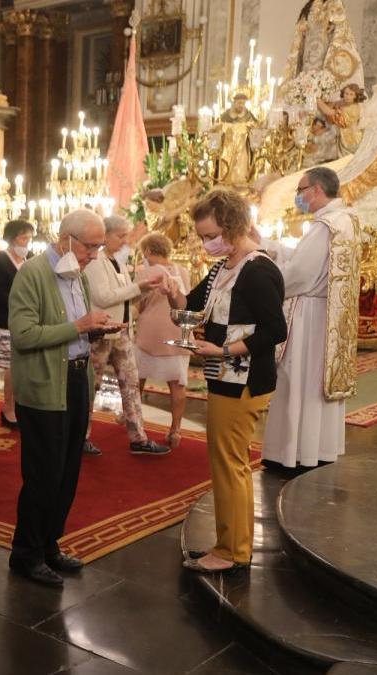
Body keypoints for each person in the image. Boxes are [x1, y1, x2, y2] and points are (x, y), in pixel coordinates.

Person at [164, 189, 286, 574]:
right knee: (224, 464)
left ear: (233, 226)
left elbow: (275, 331)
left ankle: (233, 552)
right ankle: (227, 544)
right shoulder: (223, 267)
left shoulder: (258, 269)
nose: (206, 243)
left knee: (231, 466)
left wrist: (224, 351)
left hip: (243, 380)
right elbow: (192, 307)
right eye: (201, 236)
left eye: (210, 235)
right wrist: (174, 297)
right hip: (223, 378)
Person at [7, 209, 122, 587]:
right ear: (65, 240)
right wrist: (79, 326)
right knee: (44, 474)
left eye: (98, 246)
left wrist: (96, 329)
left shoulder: (77, 274)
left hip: (75, 381)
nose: (94, 254)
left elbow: (76, 331)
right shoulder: (32, 273)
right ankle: (26, 554)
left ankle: (50, 545)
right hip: (43, 387)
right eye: (90, 246)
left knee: (69, 471)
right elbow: (23, 336)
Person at [260, 167, 361, 469]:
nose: (298, 196)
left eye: (300, 189)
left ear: (316, 189)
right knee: (317, 383)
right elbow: (306, 259)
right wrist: (271, 247)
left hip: (309, 315)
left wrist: (265, 277)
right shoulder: (346, 221)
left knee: (299, 380)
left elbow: (299, 274)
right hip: (330, 315)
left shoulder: (325, 226)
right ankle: (318, 448)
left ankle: (292, 454)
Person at [82, 216, 170, 456]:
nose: (124, 241)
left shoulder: (116, 261)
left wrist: (143, 290)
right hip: (101, 332)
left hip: (120, 330)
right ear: (106, 235)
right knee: (92, 386)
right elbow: (103, 297)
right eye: (120, 236)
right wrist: (138, 287)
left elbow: (121, 296)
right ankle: (81, 435)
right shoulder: (94, 261)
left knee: (131, 384)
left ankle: (138, 437)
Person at [134, 233, 192, 451]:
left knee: (137, 379)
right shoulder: (182, 271)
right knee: (178, 384)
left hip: (150, 331)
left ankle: (134, 421)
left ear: (148, 251)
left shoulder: (145, 272)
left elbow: (139, 301)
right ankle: (176, 430)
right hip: (177, 330)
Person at [0, 220, 34, 427]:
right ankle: (9, 408)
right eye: (24, 238)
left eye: (30, 238)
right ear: (12, 239)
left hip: (26, 321)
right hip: (4, 321)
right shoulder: (0, 261)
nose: (27, 243)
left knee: (24, 366)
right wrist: (23, 305)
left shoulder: (29, 259)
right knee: (11, 366)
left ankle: (21, 405)